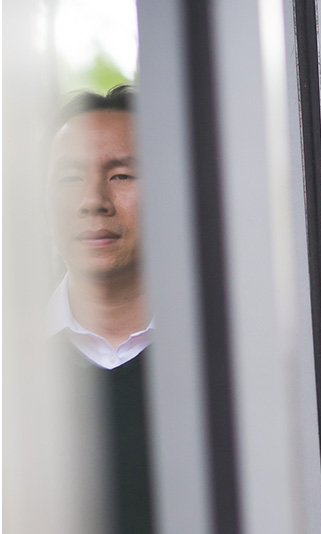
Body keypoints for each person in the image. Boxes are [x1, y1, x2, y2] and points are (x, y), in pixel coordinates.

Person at [45, 85, 153, 533]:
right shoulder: (14, 369)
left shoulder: (223, 361)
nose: (94, 200)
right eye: (70, 178)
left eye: (122, 175)